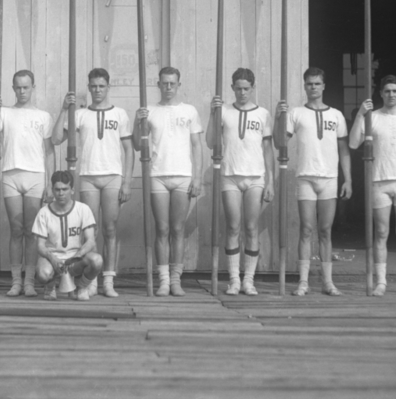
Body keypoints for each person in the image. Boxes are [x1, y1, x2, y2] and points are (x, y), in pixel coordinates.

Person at [52, 68, 134, 298]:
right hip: (88, 175)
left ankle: (108, 279)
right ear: (88, 88)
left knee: (110, 229)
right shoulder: (80, 114)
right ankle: (91, 280)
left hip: (112, 176)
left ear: (108, 87)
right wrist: (63, 110)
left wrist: (127, 182)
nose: (97, 90)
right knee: (90, 232)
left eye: (102, 86)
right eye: (94, 86)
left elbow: (129, 150)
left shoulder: (120, 114)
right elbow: (57, 138)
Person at [274, 67, 352, 297]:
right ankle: (304, 282)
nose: (313, 88)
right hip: (306, 177)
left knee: (325, 230)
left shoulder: (336, 115)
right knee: (307, 229)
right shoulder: (296, 113)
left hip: (329, 177)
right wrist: (280, 117)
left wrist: (348, 179)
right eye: (309, 84)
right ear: (304, 86)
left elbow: (344, 149)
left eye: (317, 83)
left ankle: (328, 282)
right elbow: (280, 143)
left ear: (324, 86)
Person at [0, 70, 54, 297]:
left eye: (26, 87)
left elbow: (49, 152)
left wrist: (49, 183)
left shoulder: (43, 116)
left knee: (31, 231)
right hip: (11, 174)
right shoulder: (5, 113)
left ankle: (30, 282)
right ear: (12, 88)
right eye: (18, 87)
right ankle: (16, 282)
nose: (22, 91)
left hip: (35, 176)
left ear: (33, 87)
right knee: (16, 230)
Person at [349, 75, 396, 297]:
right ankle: (381, 282)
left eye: (395, 91)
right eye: (387, 91)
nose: (391, 94)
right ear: (380, 93)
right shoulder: (373, 118)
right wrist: (361, 114)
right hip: (379, 182)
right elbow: (353, 143)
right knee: (380, 232)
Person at [133, 67, 203, 296]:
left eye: (173, 83)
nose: (169, 87)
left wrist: (198, 176)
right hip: (158, 175)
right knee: (162, 229)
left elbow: (196, 146)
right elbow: (136, 145)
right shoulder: (149, 111)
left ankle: (175, 280)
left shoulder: (189, 111)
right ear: (159, 84)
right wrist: (137, 122)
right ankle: (163, 280)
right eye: (165, 83)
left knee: (177, 229)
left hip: (183, 175)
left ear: (179, 85)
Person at [206, 67, 274, 296]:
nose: (242, 93)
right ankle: (234, 280)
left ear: (252, 88)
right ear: (232, 88)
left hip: (255, 176)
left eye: (246, 89)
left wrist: (271, 181)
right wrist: (212, 114)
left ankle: (249, 280)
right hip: (230, 176)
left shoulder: (263, 114)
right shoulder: (224, 111)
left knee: (251, 227)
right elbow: (210, 142)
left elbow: (267, 150)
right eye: (238, 88)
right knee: (233, 227)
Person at [33, 171, 103, 301]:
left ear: (72, 190)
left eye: (65, 189)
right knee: (43, 274)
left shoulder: (83, 209)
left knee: (97, 260)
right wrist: (52, 258)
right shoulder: (44, 212)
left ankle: (81, 286)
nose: (61, 193)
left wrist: (78, 255)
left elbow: (91, 241)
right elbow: (40, 246)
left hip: (74, 260)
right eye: (57, 189)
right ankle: (50, 286)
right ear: (52, 190)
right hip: (53, 259)